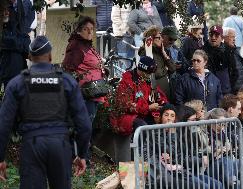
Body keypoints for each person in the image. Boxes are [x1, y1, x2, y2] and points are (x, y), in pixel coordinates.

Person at [0, 36, 92, 188]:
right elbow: (84, 125)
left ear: (29, 57)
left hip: (32, 147)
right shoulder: (67, 81)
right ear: (50, 55)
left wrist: (0, 157)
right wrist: (81, 155)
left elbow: (3, 125)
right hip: (60, 145)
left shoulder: (17, 83)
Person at [149, 104, 223, 189]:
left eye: (172, 116)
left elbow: (191, 152)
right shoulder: (156, 133)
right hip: (171, 174)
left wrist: (207, 156)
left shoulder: (180, 133)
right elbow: (172, 153)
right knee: (204, 187)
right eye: (166, 115)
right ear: (161, 117)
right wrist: (172, 134)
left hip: (184, 171)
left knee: (218, 185)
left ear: (175, 119)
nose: (169, 118)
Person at [206, 108, 243, 189]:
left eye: (225, 124)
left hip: (229, 160)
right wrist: (221, 150)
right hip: (213, 165)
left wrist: (228, 149)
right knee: (227, 160)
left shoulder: (222, 132)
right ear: (211, 121)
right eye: (220, 124)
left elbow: (233, 146)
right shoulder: (205, 133)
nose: (222, 127)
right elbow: (209, 153)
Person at [62, 16, 106, 123]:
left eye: (92, 29)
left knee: (87, 126)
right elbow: (68, 68)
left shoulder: (87, 45)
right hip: (85, 94)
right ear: (79, 30)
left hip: (94, 92)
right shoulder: (77, 46)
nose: (90, 32)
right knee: (84, 127)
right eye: (86, 29)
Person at [110, 56, 167, 136]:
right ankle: (142, 148)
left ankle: (163, 146)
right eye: (149, 73)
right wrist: (148, 107)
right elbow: (126, 105)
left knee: (167, 115)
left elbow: (159, 94)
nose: (150, 75)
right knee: (142, 126)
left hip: (145, 113)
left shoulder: (147, 80)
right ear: (143, 71)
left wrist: (164, 104)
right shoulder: (127, 81)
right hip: (127, 117)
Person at [139, 26, 176, 100]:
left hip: (165, 86)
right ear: (151, 39)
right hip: (155, 87)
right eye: (158, 38)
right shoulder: (146, 52)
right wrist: (165, 71)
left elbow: (172, 68)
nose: (161, 39)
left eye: (161, 37)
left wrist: (165, 55)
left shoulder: (162, 50)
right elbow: (155, 72)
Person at [203, 25, 231, 94]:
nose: (213, 37)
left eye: (216, 35)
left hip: (224, 90)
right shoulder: (202, 51)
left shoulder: (228, 51)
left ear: (222, 38)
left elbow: (234, 72)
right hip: (208, 90)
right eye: (211, 35)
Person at [223, 27, 243, 93]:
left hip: (240, 87)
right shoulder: (224, 51)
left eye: (234, 37)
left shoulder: (234, 49)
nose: (234, 39)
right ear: (224, 37)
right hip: (232, 89)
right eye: (231, 37)